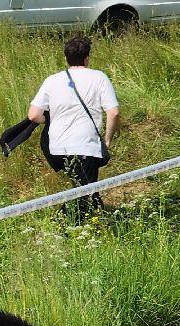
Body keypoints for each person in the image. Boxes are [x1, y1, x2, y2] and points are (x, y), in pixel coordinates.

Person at [27, 35, 118, 222]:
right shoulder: (99, 77)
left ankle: (99, 217)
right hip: (84, 146)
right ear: (87, 58)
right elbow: (113, 112)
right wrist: (107, 140)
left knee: (86, 185)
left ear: (66, 58)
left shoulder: (52, 80)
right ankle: (61, 226)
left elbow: (33, 115)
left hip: (56, 147)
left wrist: (49, 120)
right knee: (82, 194)